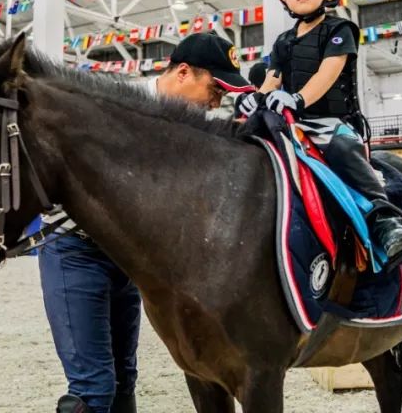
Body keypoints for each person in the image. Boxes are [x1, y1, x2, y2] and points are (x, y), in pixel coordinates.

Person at [40, 33, 253, 413]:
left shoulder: (190, 128)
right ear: (183, 72)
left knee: (124, 376)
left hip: (129, 260)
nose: (215, 103)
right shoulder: (113, 106)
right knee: (92, 387)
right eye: (215, 90)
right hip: (76, 250)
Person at [237, 0, 402, 270]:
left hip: (332, 124)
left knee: (342, 150)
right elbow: (273, 78)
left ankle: (384, 218)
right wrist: (256, 97)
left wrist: (298, 98)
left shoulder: (340, 30)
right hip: (292, 122)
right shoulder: (283, 42)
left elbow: (328, 73)